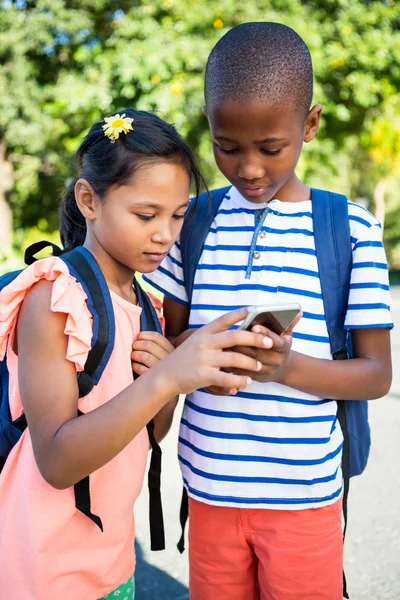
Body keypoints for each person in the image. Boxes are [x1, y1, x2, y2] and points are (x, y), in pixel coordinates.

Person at [143, 23, 393, 600]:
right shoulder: (192, 223)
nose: (248, 168)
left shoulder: (349, 229)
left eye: (270, 148)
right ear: (209, 126)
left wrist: (283, 368)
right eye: (226, 147)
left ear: (309, 126)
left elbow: (376, 376)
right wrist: (201, 353)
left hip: (303, 500)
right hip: (208, 492)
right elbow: (169, 350)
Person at [0, 108, 269, 600]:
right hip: (41, 570)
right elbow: (58, 462)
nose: (165, 233)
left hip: (111, 560)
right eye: (146, 215)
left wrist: (169, 380)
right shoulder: (56, 297)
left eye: (178, 215)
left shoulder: (143, 304)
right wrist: (164, 380)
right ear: (89, 200)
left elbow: (146, 435)